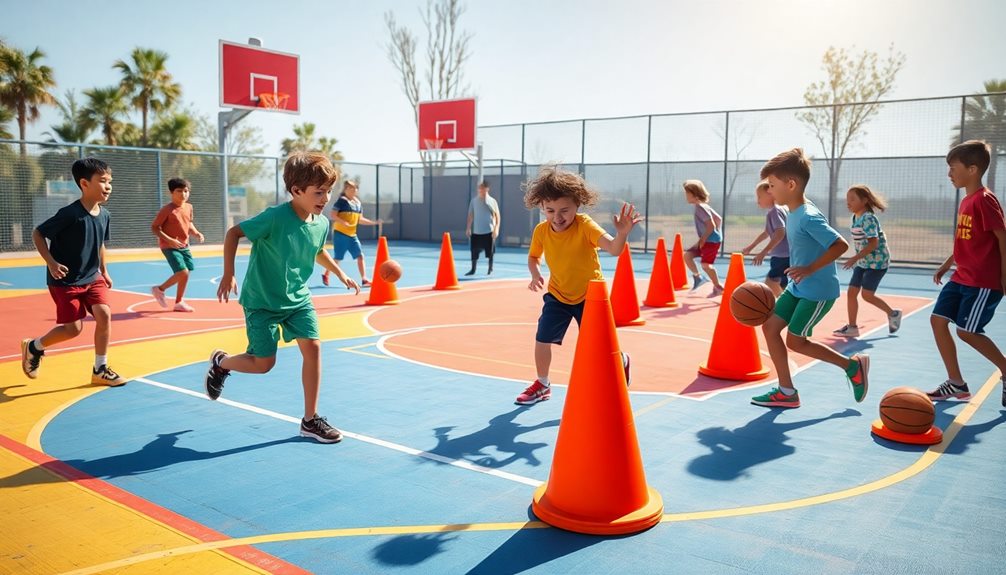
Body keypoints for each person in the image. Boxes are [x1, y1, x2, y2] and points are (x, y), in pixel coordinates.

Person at [205, 152, 360, 443]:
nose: (325, 198)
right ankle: (221, 363)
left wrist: (339, 273)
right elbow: (233, 233)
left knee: (313, 348)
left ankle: (310, 420)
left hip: (298, 299)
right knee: (264, 364)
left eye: (328, 191)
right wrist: (228, 273)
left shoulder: (321, 223)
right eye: (318, 192)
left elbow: (317, 250)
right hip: (262, 301)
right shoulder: (274, 217)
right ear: (296, 191)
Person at [750, 148, 869, 409]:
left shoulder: (808, 216)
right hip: (798, 286)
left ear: (790, 185)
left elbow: (840, 245)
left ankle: (852, 366)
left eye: (772, 185)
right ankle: (786, 391)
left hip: (817, 291)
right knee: (770, 328)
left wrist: (809, 268)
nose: (769, 191)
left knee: (795, 341)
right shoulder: (793, 210)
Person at [515, 165, 640, 405]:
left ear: (577, 205)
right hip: (558, 295)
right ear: (542, 207)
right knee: (542, 339)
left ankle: (621, 360)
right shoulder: (541, 231)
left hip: (590, 297)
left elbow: (614, 249)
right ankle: (542, 384)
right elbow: (533, 257)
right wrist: (535, 273)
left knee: (599, 349)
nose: (557, 217)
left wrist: (622, 234)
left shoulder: (585, 225)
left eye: (565, 210)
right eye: (550, 210)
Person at [20, 157, 127, 386]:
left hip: (93, 277)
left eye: (110, 181)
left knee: (104, 314)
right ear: (84, 184)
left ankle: (100, 368)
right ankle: (34, 347)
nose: (108, 186)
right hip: (66, 281)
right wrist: (50, 262)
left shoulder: (105, 215)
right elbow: (38, 233)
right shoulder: (69, 213)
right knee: (73, 329)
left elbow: (100, 244)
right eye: (103, 181)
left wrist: (104, 271)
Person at [926, 140, 1006, 407]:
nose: (949, 173)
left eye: (953, 167)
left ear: (972, 169)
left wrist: (1004, 275)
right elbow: (967, 239)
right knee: (938, 321)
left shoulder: (985, 200)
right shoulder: (967, 200)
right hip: (961, 276)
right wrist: (949, 262)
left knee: (967, 331)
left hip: (982, 280)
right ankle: (957, 383)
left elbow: (1002, 237)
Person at [833, 185, 902, 337]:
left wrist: (854, 258)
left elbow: (873, 243)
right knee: (851, 293)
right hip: (863, 262)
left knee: (867, 295)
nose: (848, 202)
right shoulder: (855, 217)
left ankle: (893, 313)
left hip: (877, 263)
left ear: (864, 200)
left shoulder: (869, 218)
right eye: (847, 199)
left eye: (852, 199)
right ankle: (852, 327)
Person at [151, 177, 205, 312]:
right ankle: (159, 289)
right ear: (171, 192)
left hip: (184, 245)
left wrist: (196, 233)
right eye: (179, 191)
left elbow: (188, 223)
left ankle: (179, 302)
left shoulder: (189, 207)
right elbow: (155, 227)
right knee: (182, 271)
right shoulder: (167, 210)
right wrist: (169, 240)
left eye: (186, 191)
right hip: (169, 246)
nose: (183, 194)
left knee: (186, 273)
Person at [321, 180, 381, 287]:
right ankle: (326, 274)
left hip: (352, 235)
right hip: (340, 234)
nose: (352, 190)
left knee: (360, 256)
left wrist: (374, 223)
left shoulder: (358, 203)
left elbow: (360, 219)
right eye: (349, 188)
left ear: (357, 190)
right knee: (338, 258)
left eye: (354, 188)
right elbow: (333, 215)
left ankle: (364, 279)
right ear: (345, 190)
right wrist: (343, 222)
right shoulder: (342, 201)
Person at [741, 180, 790, 297]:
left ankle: (776, 307)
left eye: (759, 197)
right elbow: (767, 232)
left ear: (770, 194)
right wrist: (751, 247)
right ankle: (785, 305)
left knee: (770, 282)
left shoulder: (774, 212)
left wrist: (764, 252)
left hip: (781, 256)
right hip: (787, 254)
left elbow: (780, 233)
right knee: (782, 283)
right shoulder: (781, 209)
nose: (757, 201)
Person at [682, 180, 724, 297]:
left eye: (687, 193)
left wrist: (704, 238)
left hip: (710, 241)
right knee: (687, 256)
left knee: (706, 265)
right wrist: (716, 234)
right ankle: (698, 278)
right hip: (710, 239)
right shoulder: (704, 206)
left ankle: (718, 287)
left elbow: (711, 225)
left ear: (694, 194)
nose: (685, 196)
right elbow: (718, 219)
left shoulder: (700, 207)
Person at [465, 180, 500, 276]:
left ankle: (490, 268)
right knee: (474, 251)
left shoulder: (492, 201)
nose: (480, 190)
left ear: (487, 189)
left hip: (489, 231)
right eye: (479, 188)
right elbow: (470, 215)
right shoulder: (474, 201)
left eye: (482, 188)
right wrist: (468, 228)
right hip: (477, 232)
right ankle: (473, 269)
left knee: (490, 252)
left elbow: (497, 216)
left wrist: (496, 229)